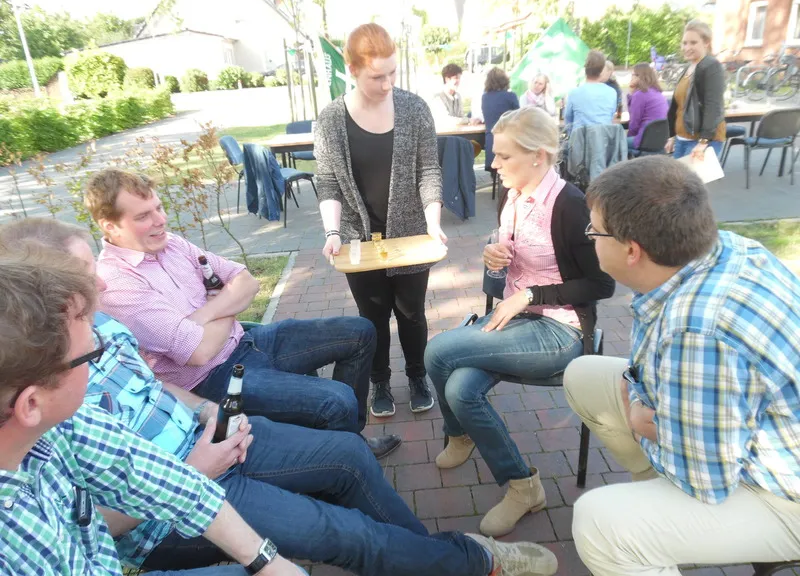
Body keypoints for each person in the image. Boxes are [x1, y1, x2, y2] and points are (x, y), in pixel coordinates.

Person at [0, 218, 559, 576]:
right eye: (83, 275)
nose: (98, 282)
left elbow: (166, 373)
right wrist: (199, 465)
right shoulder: (54, 400)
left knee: (348, 450)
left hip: (212, 424)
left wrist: (208, 412)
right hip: (185, 484)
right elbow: (195, 353)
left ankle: (430, 560)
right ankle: (465, 560)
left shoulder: (92, 332)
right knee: (344, 520)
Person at [0, 246, 306, 576]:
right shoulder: (11, 544)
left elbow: (158, 478)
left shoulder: (62, 426)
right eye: (91, 355)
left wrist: (264, 560)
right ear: (31, 404)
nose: (100, 362)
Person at [566, 155, 800, 575]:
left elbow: (706, 480)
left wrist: (642, 424)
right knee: (584, 375)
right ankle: (659, 501)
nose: (590, 239)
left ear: (632, 250)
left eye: (594, 231)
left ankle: (651, 528)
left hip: (784, 494)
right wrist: (647, 409)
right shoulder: (723, 248)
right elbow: (646, 371)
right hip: (755, 434)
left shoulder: (697, 329)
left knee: (600, 523)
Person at [85, 168, 401, 459]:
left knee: (360, 332)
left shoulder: (172, 245)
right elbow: (199, 352)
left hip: (248, 341)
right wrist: (228, 303)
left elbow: (246, 282)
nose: (160, 220)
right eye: (144, 216)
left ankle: (348, 440)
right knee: (337, 399)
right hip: (213, 379)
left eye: (159, 208)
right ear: (110, 226)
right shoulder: (118, 284)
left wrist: (205, 314)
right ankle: (344, 458)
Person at [425, 107, 616, 537]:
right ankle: (523, 486)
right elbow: (510, 255)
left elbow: (602, 284)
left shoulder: (571, 205)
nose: (493, 164)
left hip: (560, 331)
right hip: (515, 321)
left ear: (538, 156)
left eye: (504, 156)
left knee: (437, 350)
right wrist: (494, 254)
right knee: (459, 389)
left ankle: (458, 434)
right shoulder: (512, 195)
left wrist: (530, 295)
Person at [315, 23, 447, 418]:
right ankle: (380, 382)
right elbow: (327, 181)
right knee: (372, 318)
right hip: (359, 240)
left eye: (393, 72)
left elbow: (429, 170)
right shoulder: (331, 120)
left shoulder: (414, 109)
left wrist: (433, 222)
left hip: (410, 236)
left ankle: (418, 376)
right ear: (353, 69)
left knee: (412, 312)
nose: (388, 84)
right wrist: (332, 232)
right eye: (377, 76)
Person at [666, 19, 726, 159]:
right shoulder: (687, 68)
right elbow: (679, 106)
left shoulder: (711, 66)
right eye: (684, 43)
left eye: (693, 43)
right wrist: (672, 136)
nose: (687, 47)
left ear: (706, 43)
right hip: (682, 138)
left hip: (702, 140)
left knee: (692, 174)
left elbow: (713, 105)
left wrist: (703, 141)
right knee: (677, 174)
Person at [482, 67, 520, 190]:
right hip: (509, 140)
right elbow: (518, 117)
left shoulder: (485, 97)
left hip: (491, 142)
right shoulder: (511, 96)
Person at [564, 50, 617, 133]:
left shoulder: (574, 93)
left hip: (579, 138)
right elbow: (610, 117)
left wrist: (572, 135)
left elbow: (568, 119)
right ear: (602, 69)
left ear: (585, 68)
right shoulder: (612, 93)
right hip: (604, 138)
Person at [626, 62, 669, 151]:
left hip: (644, 139)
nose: (631, 78)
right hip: (660, 140)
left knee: (615, 143)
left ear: (639, 76)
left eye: (633, 75)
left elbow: (634, 123)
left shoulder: (640, 94)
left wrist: (628, 137)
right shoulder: (657, 92)